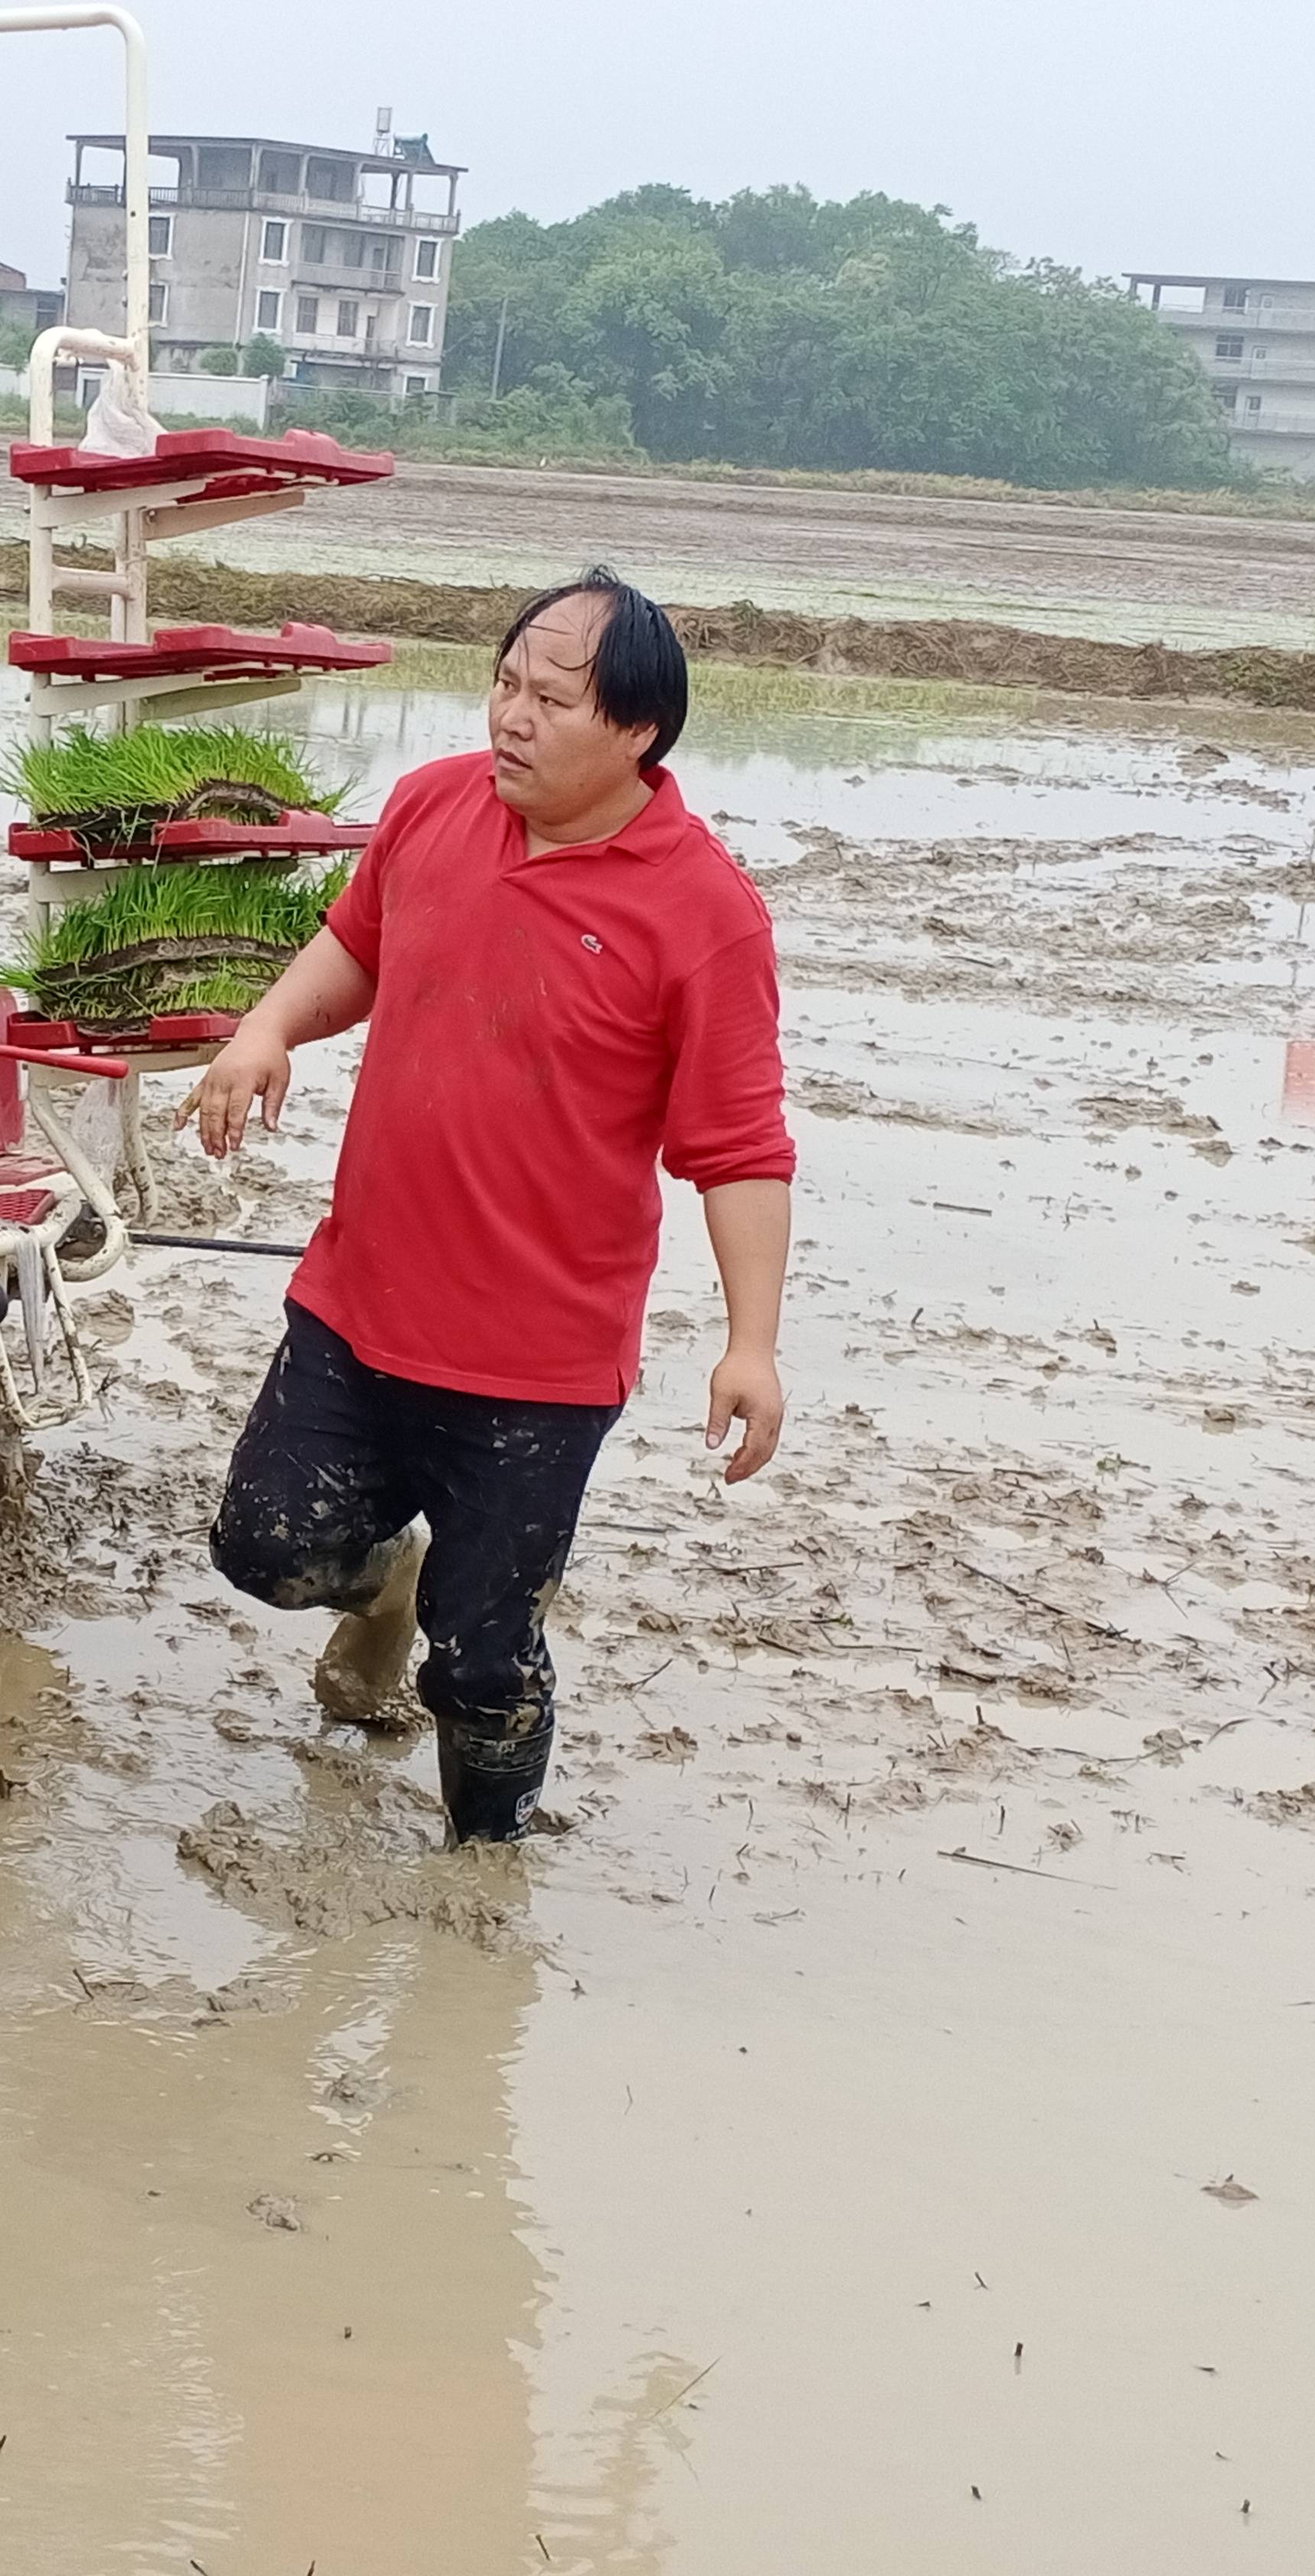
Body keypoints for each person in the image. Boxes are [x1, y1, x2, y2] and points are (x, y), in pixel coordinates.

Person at [189, 570, 796, 1844]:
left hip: (533, 1368)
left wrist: (750, 1343)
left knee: (480, 1665)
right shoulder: (430, 809)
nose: (509, 718)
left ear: (634, 729)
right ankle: (382, 1582)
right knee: (266, 1546)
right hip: (358, 1302)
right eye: (503, 684)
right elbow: (358, 942)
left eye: (550, 698)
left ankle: (484, 1867)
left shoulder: (701, 913)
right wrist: (265, 1030)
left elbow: (737, 1147)